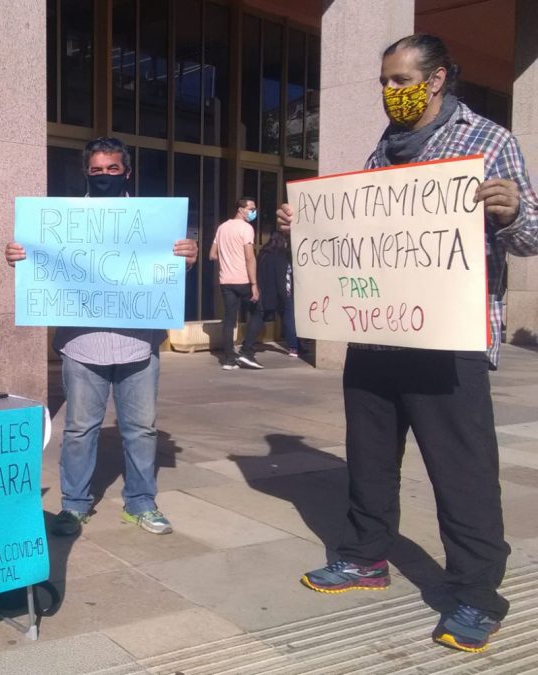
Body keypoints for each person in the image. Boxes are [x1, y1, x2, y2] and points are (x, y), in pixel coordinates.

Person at [279, 34, 538, 653]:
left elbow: (531, 239)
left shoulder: (488, 140)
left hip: (449, 342)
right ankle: (365, 557)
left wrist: (510, 214)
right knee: (368, 457)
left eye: (401, 81)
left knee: (462, 471)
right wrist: (305, 227)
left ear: (438, 77)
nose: (390, 92)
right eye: (385, 83)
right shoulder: (382, 152)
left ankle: (476, 594)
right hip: (377, 333)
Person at [4, 137, 198, 536]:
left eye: (113, 169)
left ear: (127, 172)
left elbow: (165, 275)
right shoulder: (61, 220)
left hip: (138, 342)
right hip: (82, 343)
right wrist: (21, 260)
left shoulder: (153, 221)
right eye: (97, 170)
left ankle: (141, 501)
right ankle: (74, 505)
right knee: (78, 429)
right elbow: (45, 271)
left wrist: (186, 260)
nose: (105, 175)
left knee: (142, 427)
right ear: (86, 173)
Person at [209, 198, 260, 370]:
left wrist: (227, 258)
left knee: (230, 320)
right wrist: (254, 284)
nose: (254, 211)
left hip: (225, 281)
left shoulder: (222, 227)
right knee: (259, 312)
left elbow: (212, 255)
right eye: (251, 208)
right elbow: (249, 257)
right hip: (243, 280)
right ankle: (246, 350)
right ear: (240, 209)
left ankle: (229, 359)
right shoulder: (246, 228)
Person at [238, 231, 294, 363]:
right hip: (273, 294)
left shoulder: (263, 254)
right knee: (282, 318)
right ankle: (295, 346)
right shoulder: (280, 257)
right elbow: (281, 280)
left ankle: (247, 345)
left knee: (258, 318)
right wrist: (285, 296)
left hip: (261, 292)